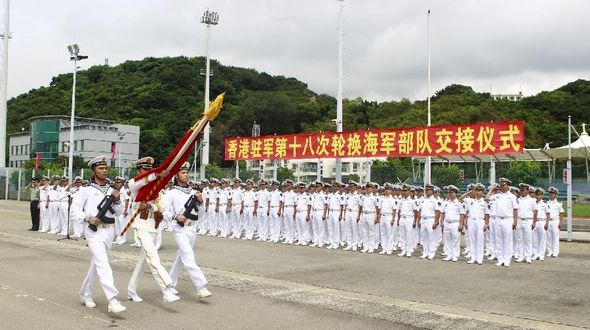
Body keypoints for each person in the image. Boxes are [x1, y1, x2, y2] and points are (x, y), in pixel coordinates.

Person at [70, 155, 126, 313]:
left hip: (108, 231)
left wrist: (116, 200)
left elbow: (119, 212)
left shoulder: (112, 190)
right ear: (93, 171)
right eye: (100, 168)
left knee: (96, 265)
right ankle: (113, 300)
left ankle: (85, 294)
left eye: (106, 168)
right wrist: (88, 219)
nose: (104, 171)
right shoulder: (85, 190)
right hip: (93, 231)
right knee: (103, 265)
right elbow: (75, 210)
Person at [126, 157, 179, 303]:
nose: (147, 172)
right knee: (153, 256)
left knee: (144, 261)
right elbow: (141, 181)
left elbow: (161, 207)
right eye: (144, 170)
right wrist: (155, 175)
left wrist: (151, 207)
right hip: (140, 224)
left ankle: (131, 290)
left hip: (153, 226)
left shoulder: (157, 189)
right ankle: (166, 287)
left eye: (150, 169)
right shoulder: (135, 184)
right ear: (139, 171)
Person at [163, 162, 212, 299]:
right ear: (177, 176)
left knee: (181, 258)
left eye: (186, 172)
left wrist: (200, 201)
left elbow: (201, 214)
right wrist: (175, 216)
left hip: (192, 228)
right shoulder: (171, 193)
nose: (186, 175)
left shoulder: (193, 192)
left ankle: (169, 284)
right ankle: (201, 287)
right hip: (180, 229)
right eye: (183, 173)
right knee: (189, 258)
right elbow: (164, 212)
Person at [490, 178, 519, 267]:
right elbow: (487, 198)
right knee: (499, 241)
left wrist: (515, 222)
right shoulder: (497, 195)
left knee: (507, 241)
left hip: (508, 220)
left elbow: (515, 210)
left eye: (503, 185)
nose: (501, 186)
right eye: (500, 185)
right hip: (498, 219)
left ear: (508, 186)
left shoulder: (512, 197)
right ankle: (500, 259)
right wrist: (492, 189)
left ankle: (507, 260)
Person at [462, 183, 489, 265]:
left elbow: (486, 214)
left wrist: (486, 224)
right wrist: (470, 192)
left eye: (480, 190)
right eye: (476, 190)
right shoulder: (470, 201)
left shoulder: (485, 202)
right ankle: (473, 258)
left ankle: (479, 258)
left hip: (480, 221)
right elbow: (461, 198)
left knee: (480, 240)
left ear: (483, 192)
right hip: (471, 221)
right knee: (472, 239)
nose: (477, 192)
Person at [417, 183, 441, 260]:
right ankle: (425, 252)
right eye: (425, 190)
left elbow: (437, 212)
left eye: (428, 190)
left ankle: (431, 252)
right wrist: (419, 220)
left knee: (431, 237)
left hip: (431, 219)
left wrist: (436, 222)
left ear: (432, 191)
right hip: (423, 220)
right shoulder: (423, 200)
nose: (426, 191)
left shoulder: (435, 201)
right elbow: (420, 211)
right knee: (424, 237)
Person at [439, 185, 463, 262]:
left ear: (455, 193)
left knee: (455, 239)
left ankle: (455, 255)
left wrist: (461, 224)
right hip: (447, 223)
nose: (450, 194)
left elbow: (461, 214)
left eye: (452, 192)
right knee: (447, 239)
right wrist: (442, 222)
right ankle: (449, 254)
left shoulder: (459, 203)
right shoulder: (445, 203)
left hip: (455, 223)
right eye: (449, 192)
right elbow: (443, 213)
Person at [515, 183, 538, 263]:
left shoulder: (532, 200)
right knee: (519, 239)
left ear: (527, 190)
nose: (522, 191)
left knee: (528, 240)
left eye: (523, 190)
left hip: (528, 221)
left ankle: (528, 256)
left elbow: (535, 212)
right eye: (521, 190)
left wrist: (534, 222)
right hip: (519, 220)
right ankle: (521, 256)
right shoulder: (518, 200)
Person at [397, 184, 418, 257]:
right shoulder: (400, 201)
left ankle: (409, 250)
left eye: (406, 190)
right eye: (403, 190)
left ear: (409, 191)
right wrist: (399, 220)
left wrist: (415, 221)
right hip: (402, 218)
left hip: (409, 219)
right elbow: (399, 211)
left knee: (409, 235)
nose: (404, 192)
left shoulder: (412, 201)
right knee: (402, 235)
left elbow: (416, 212)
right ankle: (403, 250)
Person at [545, 186, 564, 257]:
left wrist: (560, 223)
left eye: (553, 193)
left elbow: (561, 213)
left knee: (555, 237)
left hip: (555, 221)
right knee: (548, 237)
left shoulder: (559, 203)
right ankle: (549, 251)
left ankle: (555, 252)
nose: (551, 194)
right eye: (550, 193)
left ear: (556, 194)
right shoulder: (546, 203)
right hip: (548, 221)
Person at [343, 181, 361, 252]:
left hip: (354, 212)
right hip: (348, 212)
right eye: (350, 186)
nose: (351, 188)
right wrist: (344, 214)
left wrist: (359, 216)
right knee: (348, 229)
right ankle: (349, 244)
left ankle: (354, 245)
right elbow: (345, 205)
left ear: (355, 187)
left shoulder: (358, 196)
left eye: (353, 186)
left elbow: (360, 206)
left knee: (354, 229)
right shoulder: (347, 195)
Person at [532, 188, 549, 261]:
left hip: (542, 222)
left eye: (539, 195)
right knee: (534, 239)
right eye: (536, 194)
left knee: (542, 239)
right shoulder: (533, 202)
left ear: (542, 195)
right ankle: (535, 254)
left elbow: (548, 214)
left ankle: (541, 255)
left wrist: (547, 223)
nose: (537, 196)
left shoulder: (545, 203)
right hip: (535, 222)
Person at [280, 180, 296, 245]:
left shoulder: (294, 194)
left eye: (289, 185)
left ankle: (291, 238)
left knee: (291, 224)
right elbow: (283, 203)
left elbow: (295, 204)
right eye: (286, 185)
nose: (287, 186)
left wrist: (294, 212)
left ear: (291, 186)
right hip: (286, 208)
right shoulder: (284, 194)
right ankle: (287, 238)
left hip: (291, 208)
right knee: (286, 224)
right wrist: (283, 211)